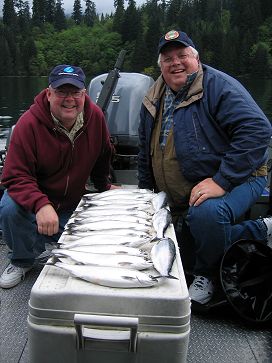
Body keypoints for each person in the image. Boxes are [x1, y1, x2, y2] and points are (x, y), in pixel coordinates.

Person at [137, 30, 272, 305]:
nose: (175, 62)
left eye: (182, 55)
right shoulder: (153, 96)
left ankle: (207, 274)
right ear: (159, 65)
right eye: (167, 58)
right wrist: (145, 195)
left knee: (206, 216)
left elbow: (258, 131)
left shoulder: (219, 87)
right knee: (181, 242)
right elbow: (145, 150)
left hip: (242, 177)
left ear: (196, 58)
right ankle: (261, 229)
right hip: (188, 186)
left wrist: (222, 181)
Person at [0, 64, 117, 288]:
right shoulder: (28, 124)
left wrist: (105, 187)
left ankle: (48, 243)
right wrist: (41, 204)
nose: (69, 99)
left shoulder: (96, 118)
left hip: (72, 204)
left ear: (84, 94)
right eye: (62, 92)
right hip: (34, 206)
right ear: (49, 93)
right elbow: (14, 176)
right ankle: (22, 260)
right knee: (9, 207)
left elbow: (103, 156)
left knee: (97, 248)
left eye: (75, 92)